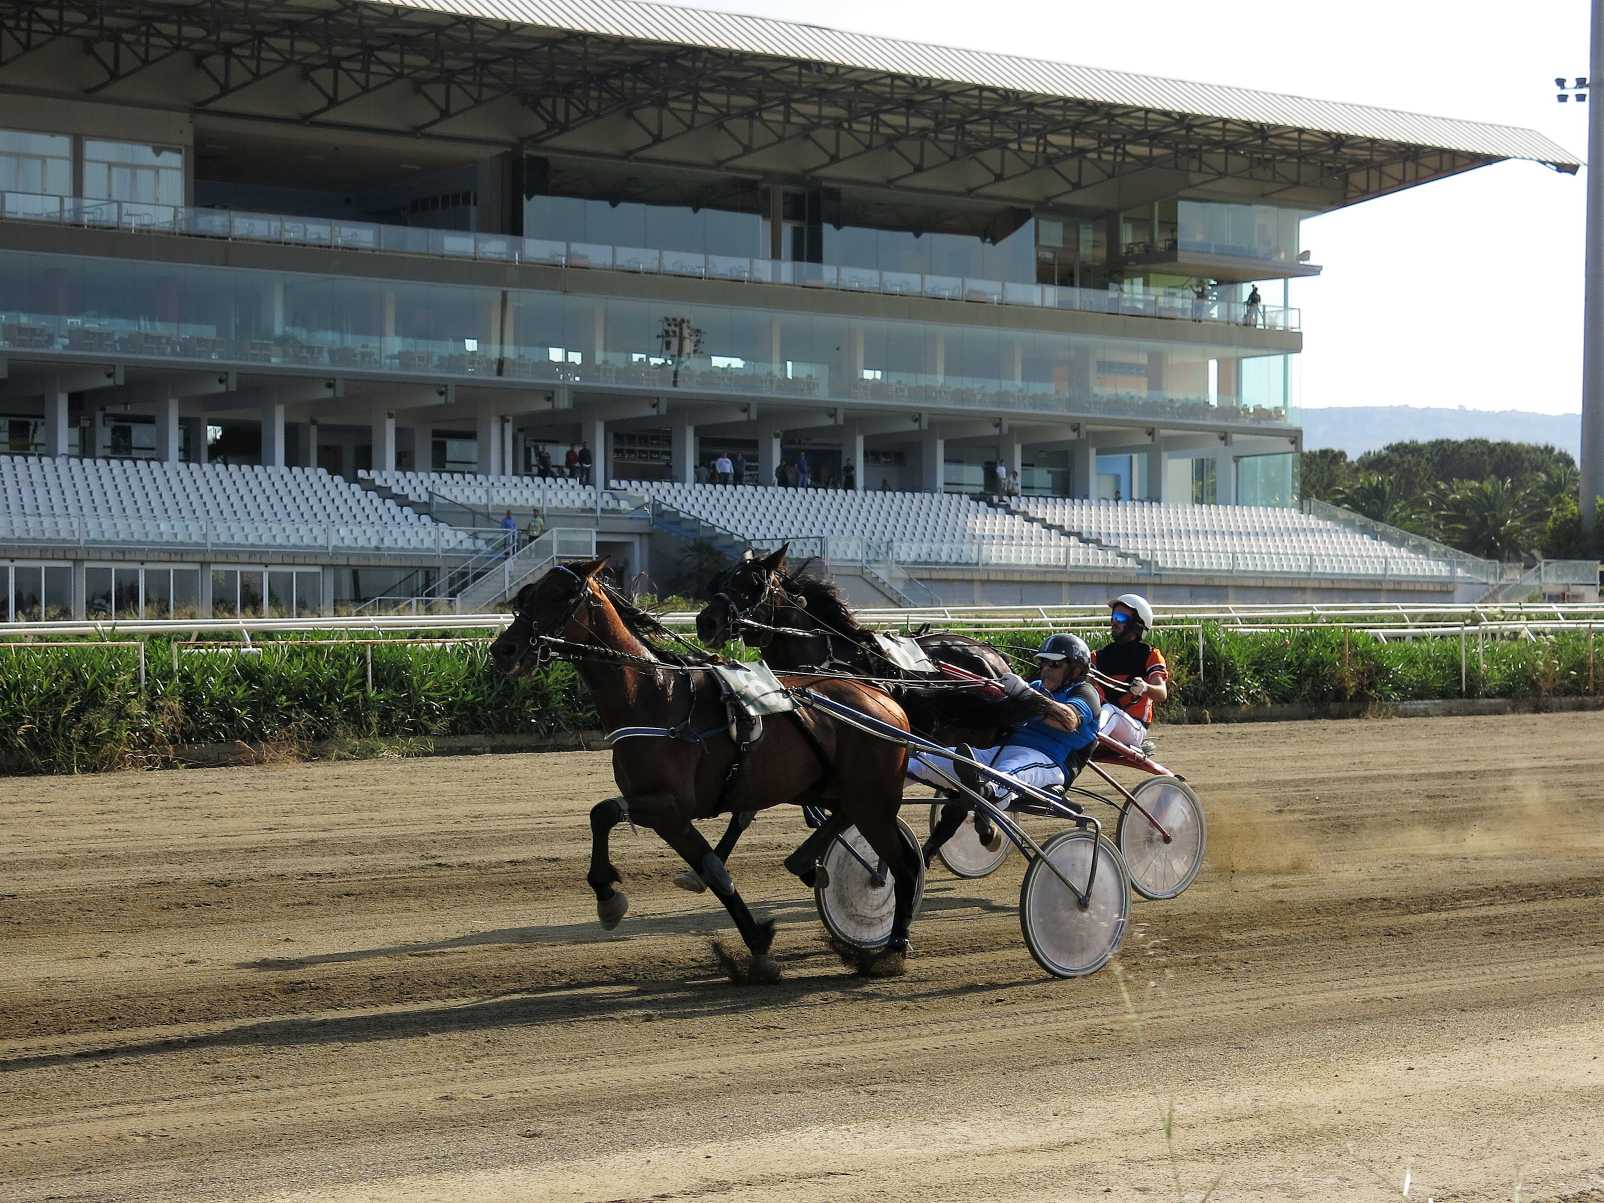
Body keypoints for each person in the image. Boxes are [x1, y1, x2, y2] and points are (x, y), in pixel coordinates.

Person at [911, 634, 1101, 864]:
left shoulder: (1085, 693)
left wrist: (1029, 696)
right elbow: (998, 714)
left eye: (1055, 664)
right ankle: (972, 792)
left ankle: (981, 795)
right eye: (1044, 663)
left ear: (1077, 669)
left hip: (1047, 761)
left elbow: (1069, 720)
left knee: (1002, 776)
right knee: (922, 760)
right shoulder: (1036, 686)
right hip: (1000, 753)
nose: (1046, 669)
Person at [1092, 593, 1167, 757]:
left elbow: (1162, 693)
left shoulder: (1151, 655)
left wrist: (1145, 687)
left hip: (1133, 729)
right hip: (1104, 723)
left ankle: (1085, 746)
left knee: (1109, 711)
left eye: (1119, 617)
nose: (1114, 621)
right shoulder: (1099, 656)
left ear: (1137, 623)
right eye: (1113, 616)